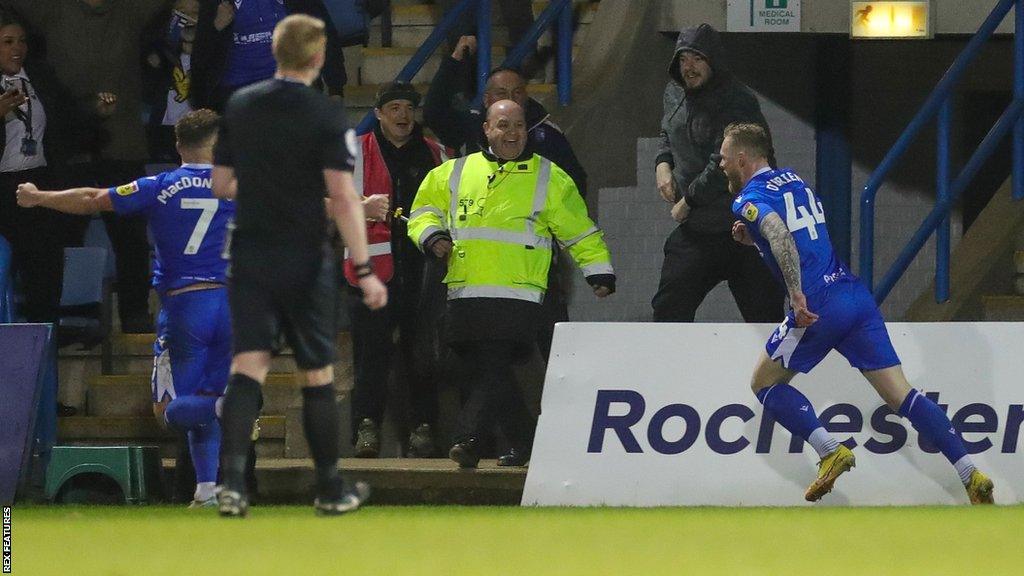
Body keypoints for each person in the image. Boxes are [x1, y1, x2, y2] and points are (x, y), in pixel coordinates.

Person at [721, 122, 994, 504]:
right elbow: (797, 232)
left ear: (742, 158)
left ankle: (830, 449)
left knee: (764, 384)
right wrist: (754, 240)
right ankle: (970, 472)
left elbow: (780, 234)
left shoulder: (746, 197)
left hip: (816, 305)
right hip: (852, 296)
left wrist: (797, 295)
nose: (721, 165)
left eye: (723, 158)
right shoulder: (793, 179)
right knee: (902, 395)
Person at [211, 14, 386, 517]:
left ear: (274, 52)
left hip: (248, 254)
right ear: (317, 57)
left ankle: (232, 486)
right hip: (305, 256)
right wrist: (366, 268)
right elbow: (344, 197)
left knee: (248, 367)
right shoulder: (326, 114)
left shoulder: (240, 105)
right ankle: (330, 489)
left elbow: (221, 184)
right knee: (316, 373)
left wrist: (266, 189)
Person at [17, 109, 235, 508]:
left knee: (168, 410)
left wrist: (38, 197)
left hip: (186, 306)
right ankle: (206, 489)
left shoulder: (160, 184)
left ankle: (226, 408)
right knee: (205, 396)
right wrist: (358, 207)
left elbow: (93, 199)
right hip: (231, 303)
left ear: (177, 145)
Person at [408, 99, 615, 469]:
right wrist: (431, 235)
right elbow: (422, 212)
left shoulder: (549, 177)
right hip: (464, 291)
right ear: (486, 129)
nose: (512, 133)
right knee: (487, 370)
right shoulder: (452, 173)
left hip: (519, 295)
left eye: (518, 125)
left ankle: (468, 439)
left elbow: (579, 230)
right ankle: (526, 445)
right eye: (503, 125)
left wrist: (598, 270)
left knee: (493, 364)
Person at [3, 0, 176, 333]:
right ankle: (66, 319)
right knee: (62, 236)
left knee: (129, 235)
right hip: (69, 146)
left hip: (122, 145)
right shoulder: (52, 10)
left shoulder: (130, 10)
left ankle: (136, 314)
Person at [424, 48, 587, 362]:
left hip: (533, 264)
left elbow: (576, 184)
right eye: (501, 93)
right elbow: (434, 112)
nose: (511, 98)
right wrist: (455, 60)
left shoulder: (548, 137)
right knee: (485, 356)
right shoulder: (473, 128)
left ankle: (559, 404)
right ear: (487, 101)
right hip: (478, 268)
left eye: (517, 92)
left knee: (551, 340)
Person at [346, 81, 452, 459]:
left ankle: (424, 429)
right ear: (378, 113)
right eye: (394, 108)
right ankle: (366, 427)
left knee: (423, 353)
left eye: (409, 107)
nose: (404, 115)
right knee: (371, 353)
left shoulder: (439, 154)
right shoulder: (353, 153)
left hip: (425, 270)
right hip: (371, 271)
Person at [651, 23, 783, 324]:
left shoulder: (738, 101)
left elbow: (722, 163)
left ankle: (773, 371)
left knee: (765, 319)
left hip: (744, 227)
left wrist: (688, 202)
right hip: (699, 230)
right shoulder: (674, 93)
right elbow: (666, 131)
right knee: (668, 310)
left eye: (697, 58)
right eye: (683, 59)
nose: (689, 67)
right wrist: (662, 163)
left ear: (712, 60)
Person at [0, 11, 79, 328]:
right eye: (7, 42)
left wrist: (95, 111)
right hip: (1, 188)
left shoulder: (40, 77)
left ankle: (45, 342)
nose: (17, 48)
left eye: (21, 41)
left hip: (37, 184)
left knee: (44, 268)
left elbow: (66, 121)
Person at [190, 0, 346, 111]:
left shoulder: (300, 3)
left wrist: (335, 89)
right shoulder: (217, 4)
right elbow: (200, 53)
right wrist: (216, 27)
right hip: (234, 92)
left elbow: (325, 36)